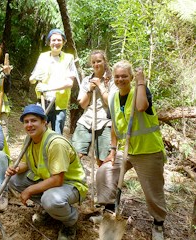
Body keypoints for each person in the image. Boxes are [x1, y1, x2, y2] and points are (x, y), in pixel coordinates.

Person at [6, 104, 88, 240]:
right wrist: (16, 169)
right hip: (49, 181)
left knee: (51, 199)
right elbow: (26, 163)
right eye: (26, 122)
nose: (29, 125)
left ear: (44, 122)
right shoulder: (29, 139)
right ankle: (49, 209)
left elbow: (58, 180)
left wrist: (29, 190)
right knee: (15, 180)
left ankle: (70, 221)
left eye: (34, 120)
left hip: (70, 184)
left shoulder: (56, 143)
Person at [108, 60, 167, 240]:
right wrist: (112, 149)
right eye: (117, 76)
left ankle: (158, 223)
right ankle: (109, 210)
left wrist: (141, 82)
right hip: (126, 150)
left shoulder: (140, 91)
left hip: (148, 151)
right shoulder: (113, 97)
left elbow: (141, 107)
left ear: (131, 77)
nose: (120, 79)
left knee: (152, 190)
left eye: (124, 76)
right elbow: (114, 127)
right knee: (106, 172)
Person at [71, 50, 118, 212]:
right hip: (87, 120)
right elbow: (83, 104)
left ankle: (106, 200)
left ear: (105, 61)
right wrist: (90, 89)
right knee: (75, 154)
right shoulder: (86, 80)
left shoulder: (112, 80)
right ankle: (72, 190)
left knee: (103, 161)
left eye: (99, 61)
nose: (97, 64)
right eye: (94, 62)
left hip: (105, 121)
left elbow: (111, 103)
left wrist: (100, 86)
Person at [29, 29, 78, 134]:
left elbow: (70, 83)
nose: (56, 43)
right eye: (53, 40)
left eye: (59, 40)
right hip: (43, 101)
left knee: (57, 135)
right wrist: (33, 78)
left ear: (63, 42)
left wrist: (47, 88)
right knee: (39, 132)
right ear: (49, 42)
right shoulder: (43, 57)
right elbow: (33, 79)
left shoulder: (69, 58)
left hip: (59, 104)